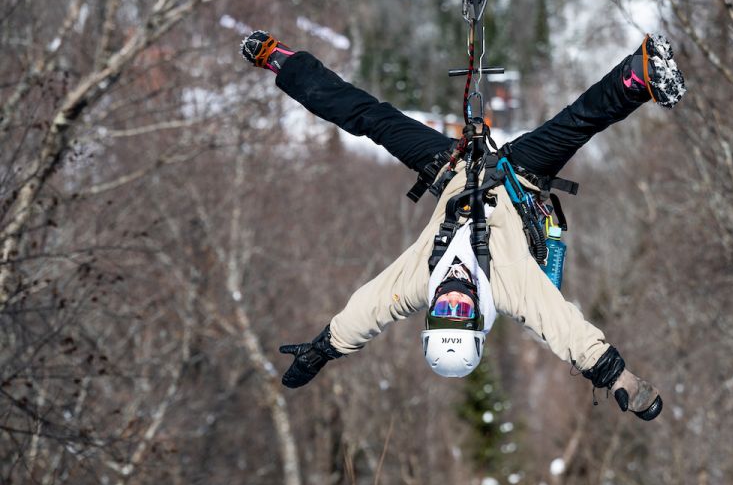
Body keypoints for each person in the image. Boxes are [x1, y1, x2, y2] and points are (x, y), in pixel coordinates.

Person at [240, 29, 685, 422]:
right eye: (462, 313)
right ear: (478, 322)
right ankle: (641, 71)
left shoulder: (419, 280)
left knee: (368, 118)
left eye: (443, 311)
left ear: (430, 315)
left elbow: (364, 314)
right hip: (517, 179)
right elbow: (566, 332)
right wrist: (622, 379)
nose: (454, 298)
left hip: (452, 172)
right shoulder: (508, 286)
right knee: (576, 123)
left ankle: (282, 59)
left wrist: (321, 351)